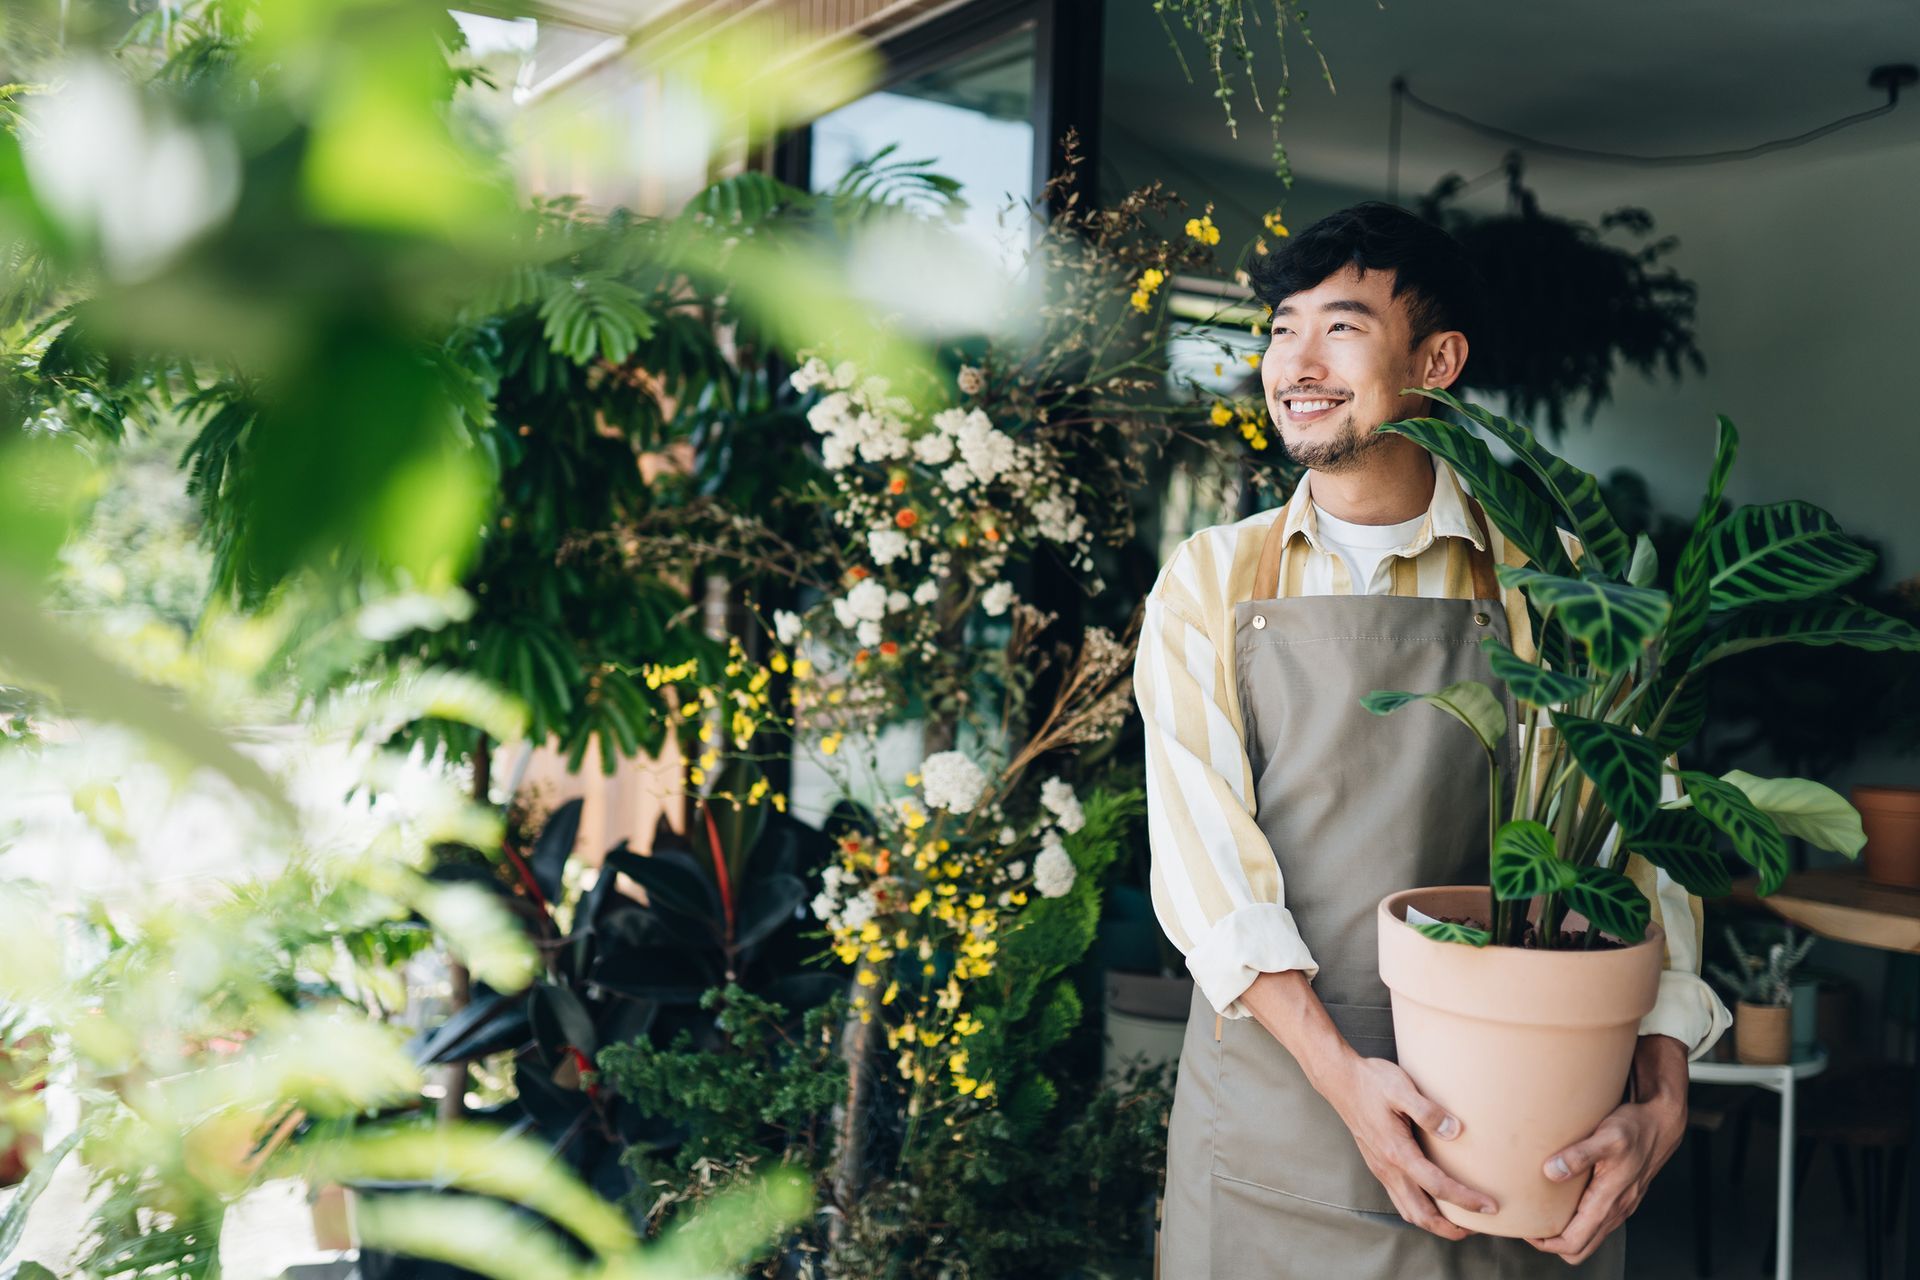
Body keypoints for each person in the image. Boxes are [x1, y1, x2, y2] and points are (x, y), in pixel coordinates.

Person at [1136, 202, 1730, 1278]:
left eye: (1343, 327)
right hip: (1279, 1120)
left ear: (1439, 358)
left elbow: (1643, 846)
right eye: (1281, 328)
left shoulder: (1554, 583)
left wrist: (1662, 1096)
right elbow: (1209, 880)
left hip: (1516, 1136)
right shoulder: (1210, 583)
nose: (1297, 363)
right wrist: (1350, 1086)